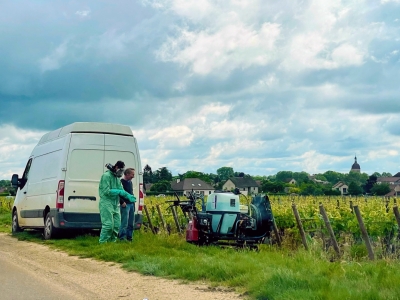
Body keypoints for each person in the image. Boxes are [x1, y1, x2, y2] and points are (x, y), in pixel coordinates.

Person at [98, 161, 135, 244]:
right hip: (106, 202)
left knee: (116, 225)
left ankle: (112, 243)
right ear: (116, 167)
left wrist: (128, 195)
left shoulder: (117, 178)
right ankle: (102, 243)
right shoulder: (106, 176)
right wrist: (119, 192)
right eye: (121, 171)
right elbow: (106, 191)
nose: (121, 173)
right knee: (108, 225)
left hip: (115, 204)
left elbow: (121, 189)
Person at [119, 168, 136, 241]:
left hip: (131, 204)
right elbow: (118, 193)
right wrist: (122, 202)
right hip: (125, 205)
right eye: (132, 174)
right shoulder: (121, 182)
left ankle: (129, 238)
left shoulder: (130, 182)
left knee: (131, 223)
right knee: (124, 223)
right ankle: (122, 238)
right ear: (127, 174)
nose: (133, 176)